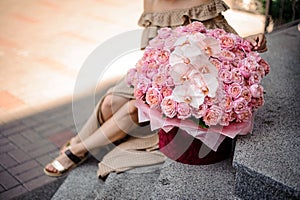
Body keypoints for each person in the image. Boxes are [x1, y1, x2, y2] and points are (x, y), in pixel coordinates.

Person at [44, 0, 267, 177]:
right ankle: (82, 142)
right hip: (159, 71)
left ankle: (77, 150)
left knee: (132, 108)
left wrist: (249, 41)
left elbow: (224, 41)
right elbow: (151, 49)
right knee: (110, 102)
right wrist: (151, 75)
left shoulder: (203, 1)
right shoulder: (151, 3)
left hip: (194, 78)